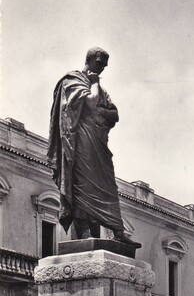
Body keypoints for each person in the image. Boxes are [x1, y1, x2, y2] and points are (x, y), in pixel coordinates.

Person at [48, 47, 139, 246]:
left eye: (105, 65)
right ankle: (84, 232)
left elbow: (115, 114)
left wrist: (100, 111)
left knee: (109, 187)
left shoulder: (99, 87)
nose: (102, 69)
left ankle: (118, 231)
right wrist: (96, 92)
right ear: (88, 60)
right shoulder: (73, 80)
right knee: (83, 186)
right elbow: (91, 102)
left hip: (99, 146)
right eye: (100, 63)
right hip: (80, 144)